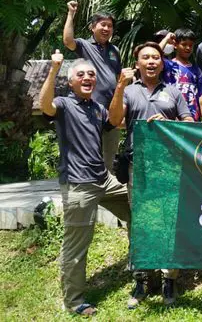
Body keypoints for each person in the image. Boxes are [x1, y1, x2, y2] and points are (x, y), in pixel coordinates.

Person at [40, 50, 131, 316]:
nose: (88, 77)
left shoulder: (96, 108)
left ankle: (139, 267)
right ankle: (75, 300)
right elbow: (45, 106)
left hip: (104, 179)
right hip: (79, 185)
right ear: (71, 82)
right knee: (77, 244)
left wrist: (121, 87)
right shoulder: (64, 104)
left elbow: (115, 121)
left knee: (138, 209)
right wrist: (54, 68)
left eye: (91, 74)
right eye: (81, 74)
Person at [108, 41, 194, 308]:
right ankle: (142, 279)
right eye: (146, 57)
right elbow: (114, 121)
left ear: (162, 62)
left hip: (169, 165)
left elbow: (189, 123)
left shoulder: (173, 92)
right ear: (138, 63)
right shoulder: (129, 92)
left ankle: (170, 280)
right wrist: (120, 86)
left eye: (156, 57)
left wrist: (170, 124)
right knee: (141, 222)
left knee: (169, 221)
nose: (152, 61)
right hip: (138, 166)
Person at [62, 0, 122, 172]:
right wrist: (71, 13)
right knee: (88, 154)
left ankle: (106, 194)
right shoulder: (84, 45)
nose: (106, 29)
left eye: (110, 26)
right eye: (103, 25)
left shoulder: (114, 50)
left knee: (109, 155)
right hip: (89, 110)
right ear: (92, 27)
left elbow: (117, 79)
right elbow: (67, 40)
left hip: (111, 111)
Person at [159, 29, 202, 121]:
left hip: (192, 117)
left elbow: (201, 96)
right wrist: (166, 39)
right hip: (171, 115)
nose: (188, 48)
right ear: (175, 45)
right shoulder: (168, 65)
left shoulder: (196, 70)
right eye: (184, 44)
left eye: (191, 45)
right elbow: (155, 54)